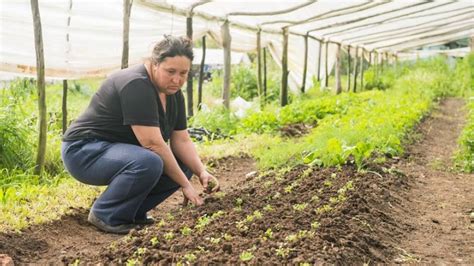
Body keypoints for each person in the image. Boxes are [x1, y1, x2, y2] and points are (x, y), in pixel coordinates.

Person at [61, 36, 219, 234]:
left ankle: (131, 212)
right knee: (150, 161)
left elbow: (182, 140)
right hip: (84, 151)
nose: (177, 80)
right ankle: (106, 213)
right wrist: (186, 185)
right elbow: (153, 143)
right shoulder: (136, 84)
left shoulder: (173, 94)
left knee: (182, 164)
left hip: (119, 152)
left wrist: (201, 171)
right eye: (170, 71)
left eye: (183, 73)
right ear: (154, 64)